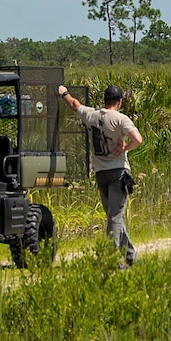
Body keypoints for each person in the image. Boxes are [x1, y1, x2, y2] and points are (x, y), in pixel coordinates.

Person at [59, 82, 143, 268]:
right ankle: (110, 259)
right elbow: (138, 139)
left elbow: (74, 105)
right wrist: (125, 148)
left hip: (100, 173)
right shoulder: (121, 119)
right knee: (116, 217)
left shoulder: (92, 115)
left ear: (104, 100)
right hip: (118, 172)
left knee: (114, 217)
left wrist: (64, 92)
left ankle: (131, 258)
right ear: (119, 102)